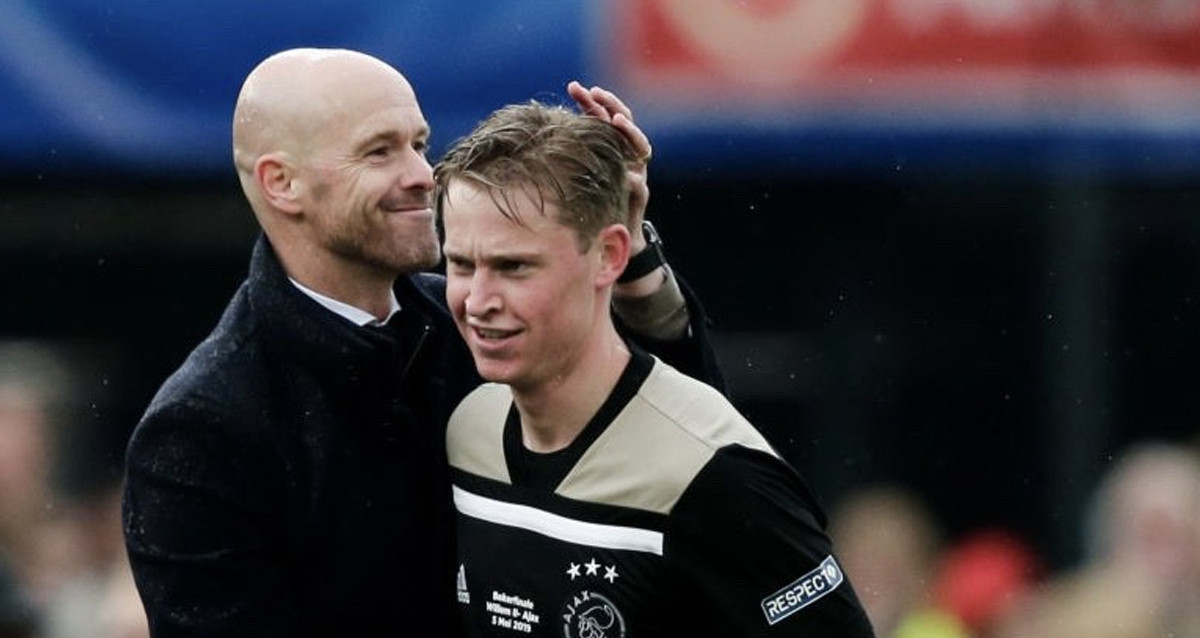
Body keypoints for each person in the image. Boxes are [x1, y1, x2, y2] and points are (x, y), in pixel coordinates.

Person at [121, 48, 723, 638]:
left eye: (419, 144)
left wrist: (634, 261)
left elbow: (685, 446)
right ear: (282, 184)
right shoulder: (203, 430)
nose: (421, 176)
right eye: (379, 152)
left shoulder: (473, 318)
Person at [436, 100, 874, 636]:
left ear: (610, 256)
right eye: (460, 264)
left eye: (514, 266)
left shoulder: (714, 475)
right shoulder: (465, 427)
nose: (479, 299)